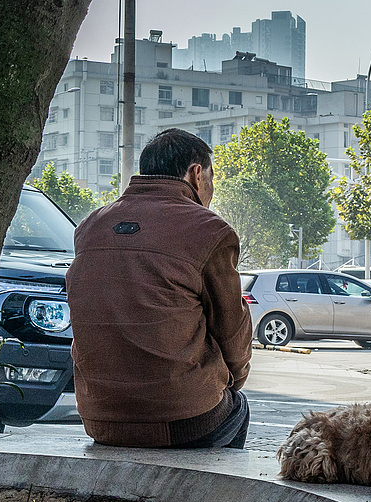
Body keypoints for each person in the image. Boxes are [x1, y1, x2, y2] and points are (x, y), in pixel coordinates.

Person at [66, 128, 252, 449]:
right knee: (237, 404)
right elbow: (232, 331)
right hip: (184, 417)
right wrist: (231, 380)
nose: (211, 188)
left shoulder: (90, 226)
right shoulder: (209, 230)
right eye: (211, 177)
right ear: (196, 174)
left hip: (99, 417)